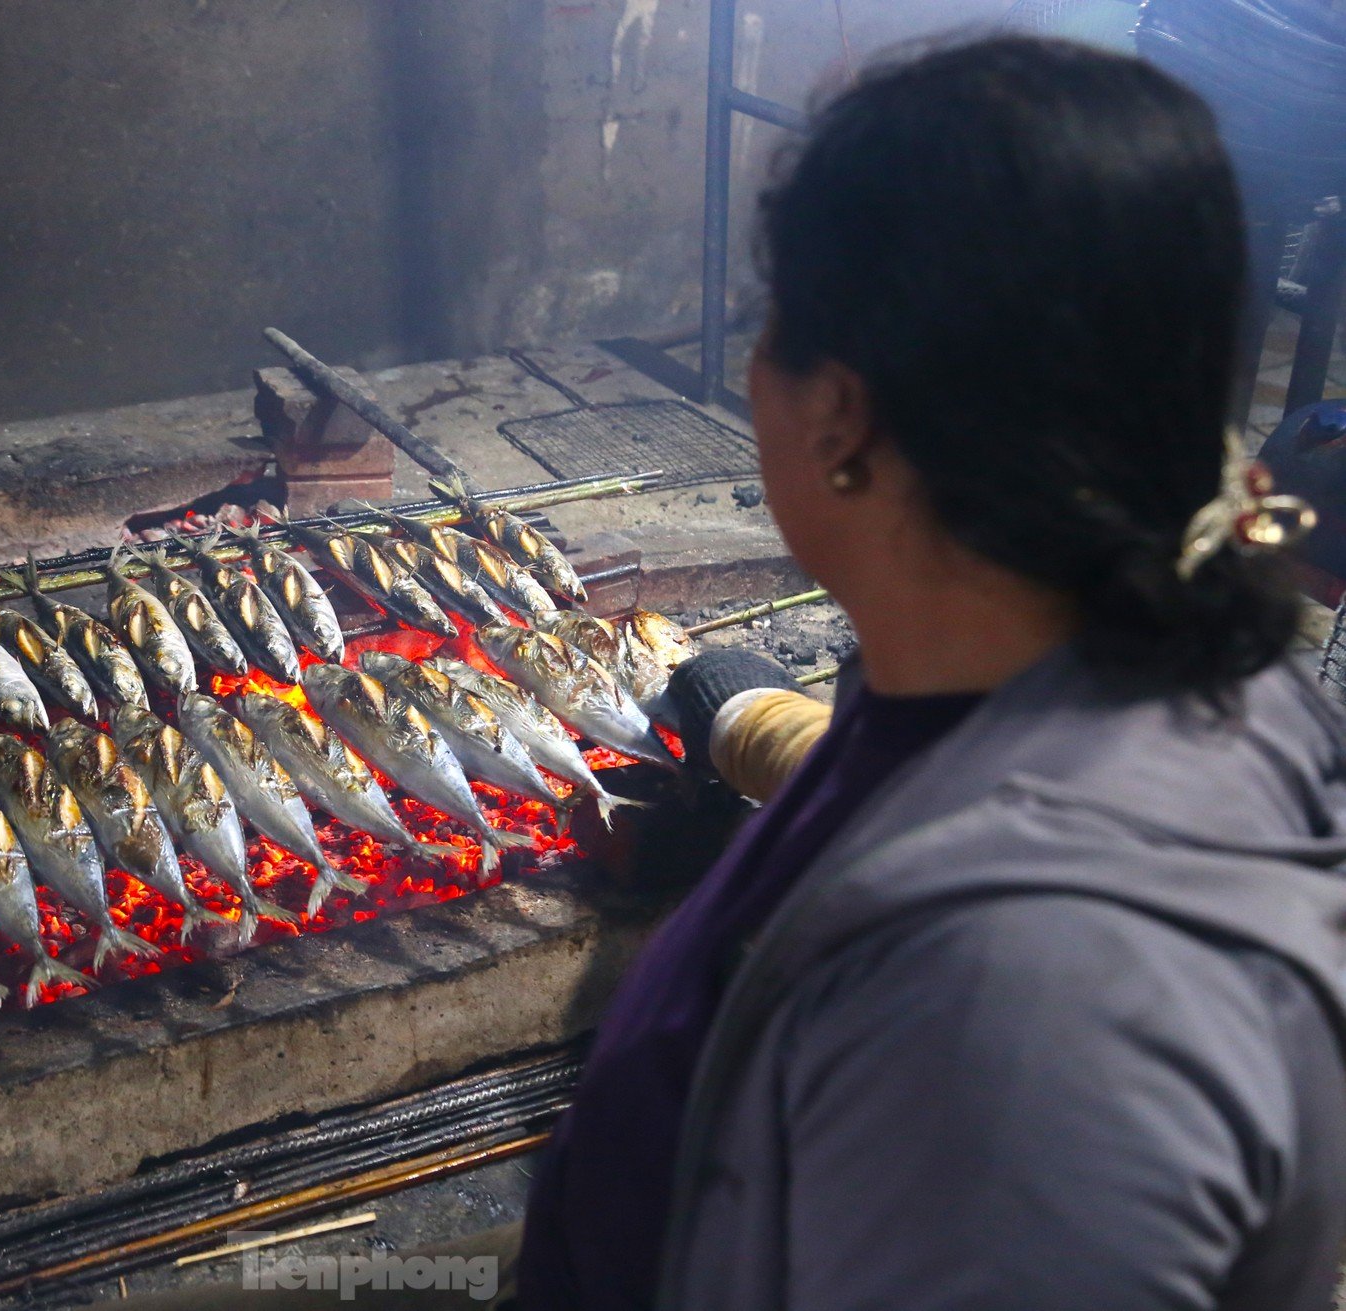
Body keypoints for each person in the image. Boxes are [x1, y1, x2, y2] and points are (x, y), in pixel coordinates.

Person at [519, 35, 1346, 1311]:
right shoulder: (1158, 676)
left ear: (837, 416)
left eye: (766, 324)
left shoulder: (1025, 1005)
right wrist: (749, 721)